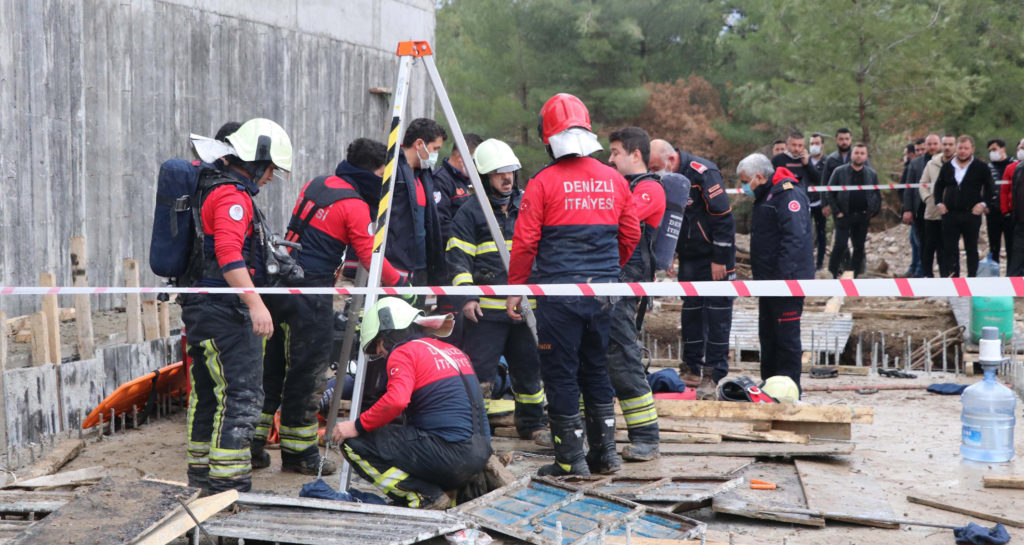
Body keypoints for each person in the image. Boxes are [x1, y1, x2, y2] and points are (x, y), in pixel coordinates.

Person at [506, 93, 640, 476]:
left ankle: (571, 461)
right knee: (596, 369)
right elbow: (629, 235)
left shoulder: (542, 183)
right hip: (603, 294)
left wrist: (516, 288)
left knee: (561, 373)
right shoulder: (614, 179)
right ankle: (606, 456)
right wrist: (607, 271)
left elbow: (526, 243)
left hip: (557, 297)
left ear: (547, 138)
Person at [253, 138, 405, 476]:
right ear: (373, 171)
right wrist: (403, 284)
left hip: (279, 287)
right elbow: (370, 257)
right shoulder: (354, 205)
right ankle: (300, 454)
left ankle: (253, 444)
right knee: (307, 374)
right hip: (311, 294)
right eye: (383, 174)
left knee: (273, 369)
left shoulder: (317, 184)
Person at [181, 118, 293, 494]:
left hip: (204, 309)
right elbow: (229, 254)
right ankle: (229, 488)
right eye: (271, 168)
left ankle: (200, 479)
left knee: (209, 395)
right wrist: (256, 303)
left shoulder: (212, 187)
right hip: (225, 312)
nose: (271, 177)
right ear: (257, 161)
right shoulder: (231, 197)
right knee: (241, 395)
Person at [331, 297, 491, 509]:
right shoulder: (450, 350)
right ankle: (448, 490)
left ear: (389, 333)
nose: (379, 351)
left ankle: (423, 496)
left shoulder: (403, 352)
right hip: (480, 453)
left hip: (451, 454)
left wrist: (356, 425)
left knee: (354, 444)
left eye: (378, 343)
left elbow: (396, 401)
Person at [446, 138, 549, 445]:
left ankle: (533, 424)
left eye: (511, 172)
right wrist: (467, 297)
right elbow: (458, 257)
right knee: (480, 375)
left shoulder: (528, 206)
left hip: (524, 309)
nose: (507, 179)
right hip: (486, 313)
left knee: (530, 370)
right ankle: (477, 430)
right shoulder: (470, 212)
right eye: (498, 173)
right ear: (484, 177)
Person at [649, 139, 736, 398]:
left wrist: (720, 258)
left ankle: (713, 373)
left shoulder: (703, 173)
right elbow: (671, 220)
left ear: (671, 160)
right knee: (691, 313)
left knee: (717, 314)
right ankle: (691, 367)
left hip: (715, 256)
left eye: (656, 167)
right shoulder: (665, 180)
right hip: (690, 257)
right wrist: (671, 255)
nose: (654, 172)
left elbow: (723, 217)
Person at [606, 127, 665, 460]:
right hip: (604, 281)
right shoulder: (621, 186)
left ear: (636, 154)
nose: (610, 159)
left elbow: (615, 218)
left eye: (615, 153)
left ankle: (645, 437)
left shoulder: (648, 189)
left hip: (625, 285)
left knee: (623, 355)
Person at [737, 153, 814, 391]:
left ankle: (790, 390)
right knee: (769, 338)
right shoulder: (766, 195)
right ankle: (770, 387)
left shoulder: (787, 194)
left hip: (785, 284)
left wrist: (784, 281)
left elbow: (795, 240)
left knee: (786, 340)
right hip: (768, 283)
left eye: (744, 181)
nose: (743, 187)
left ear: (759, 177)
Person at [391, 118, 448, 288]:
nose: (436, 154)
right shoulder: (392, 171)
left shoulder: (425, 175)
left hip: (421, 267)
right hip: (396, 267)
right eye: (435, 148)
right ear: (419, 144)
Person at [934, 135, 994, 277]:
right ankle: (954, 280)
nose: (962, 151)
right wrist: (939, 203)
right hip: (951, 214)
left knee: (971, 248)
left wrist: (983, 204)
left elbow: (990, 188)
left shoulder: (981, 167)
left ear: (972, 149)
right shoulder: (947, 166)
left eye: (966, 148)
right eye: (960, 148)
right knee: (950, 248)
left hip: (971, 214)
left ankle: (972, 280)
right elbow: (938, 186)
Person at [825, 143, 881, 278]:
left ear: (866, 156)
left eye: (862, 153)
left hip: (862, 216)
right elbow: (829, 192)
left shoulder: (871, 174)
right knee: (840, 245)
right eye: (856, 153)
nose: (859, 156)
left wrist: (872, 211)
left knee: (859, 247)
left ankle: (854, 276)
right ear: (851, 154)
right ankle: (831, 273)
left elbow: (876, 194)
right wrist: (837, 211)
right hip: (843, 215)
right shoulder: (839, 171)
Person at [434, 133, 484, 242]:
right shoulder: (440, 180)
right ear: (461, 158)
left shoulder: (472, 179)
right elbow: (441, 225)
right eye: (475, 161)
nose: (478, 167)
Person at [918, 135, 956, 276]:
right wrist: (929, 199)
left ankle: (947, 277)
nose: (947, 147)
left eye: (950, 144)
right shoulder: (931, 164)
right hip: (932, 213)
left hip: (952, 213)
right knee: (928, 247)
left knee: (946, 248)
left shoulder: (960, 163)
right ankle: (928, 277)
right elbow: (922, 184)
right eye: (945, 144)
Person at [985, 139, 1014, 264]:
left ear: (1003, 149)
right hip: (993, 212)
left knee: (1012, 246)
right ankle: (994, 275)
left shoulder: (1015, 165)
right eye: (990, 150)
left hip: (1011, 212)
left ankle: (1013, 275)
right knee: (994, 247)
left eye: (994, 149)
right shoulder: (988, 168)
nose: (992, 152)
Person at [900, 142, 922, 277]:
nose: (920, 152)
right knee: (914, 241)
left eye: (921, 149)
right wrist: (907, 208)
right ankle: (913, 268)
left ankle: (919, 271)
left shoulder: (925, 165)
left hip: (922, 209)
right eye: (917, 149)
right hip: (913, 208)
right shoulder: (912, 165)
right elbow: (906, 188)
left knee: (919, 242)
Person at [808, 133, 828, 271]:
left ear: (822, 145)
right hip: (805, 203)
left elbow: (827, 182)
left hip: (821, 203)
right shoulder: (804, 161)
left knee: (821, 234)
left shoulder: (828, 161)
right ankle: (807, 263)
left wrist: (828, 204)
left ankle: (820, 264)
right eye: (812, 143)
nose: (814, 146)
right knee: (804, 234)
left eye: (817, 143)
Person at [1006, 138, 1024, 276]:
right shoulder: (1018, 168)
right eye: (1021, 148)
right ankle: (1013, 285)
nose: (1021, 151)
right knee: (1017, 253)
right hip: (1020, 220)